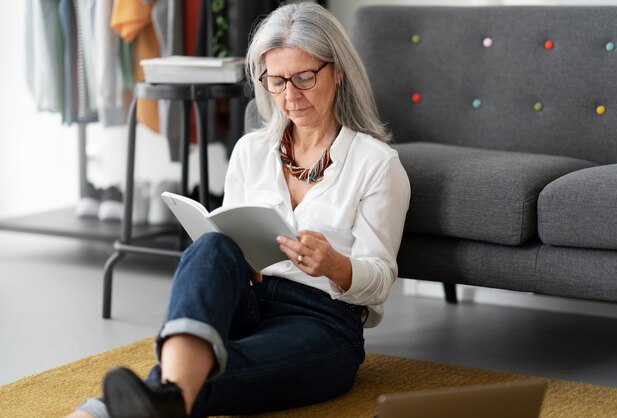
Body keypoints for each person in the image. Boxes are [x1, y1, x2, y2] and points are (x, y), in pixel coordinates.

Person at [68, 3, 410, 417]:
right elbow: (229, 244)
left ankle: (130, 404)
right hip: (246, 303)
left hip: (321, 322)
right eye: (277, 81)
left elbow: (380, 280)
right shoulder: (251, 151)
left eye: (304, 77)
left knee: (214, 371)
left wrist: (336, 265)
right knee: (211, 246)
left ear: (337, 71)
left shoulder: (376, 163)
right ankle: (160, 399)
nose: (290, 96)